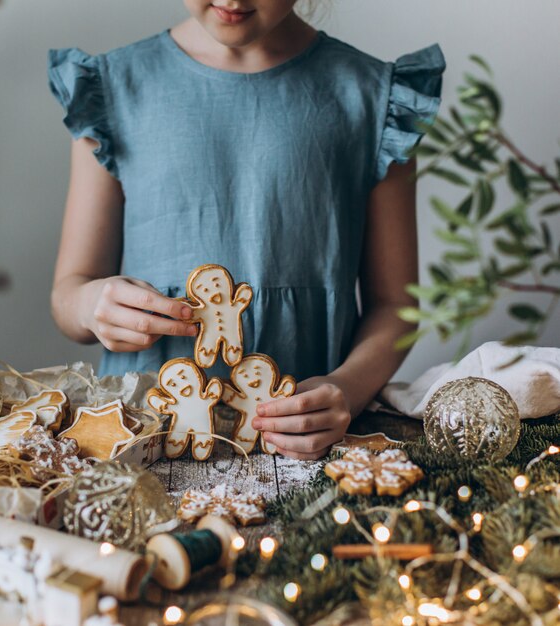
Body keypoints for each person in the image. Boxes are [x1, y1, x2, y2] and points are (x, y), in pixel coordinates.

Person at [47, 0, 446, 460]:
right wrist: (92, 305)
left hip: (306, 453)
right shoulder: (111, 90)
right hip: (141, 446)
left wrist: (347, 389)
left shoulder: (374, 99)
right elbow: (68, 294)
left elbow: (396, 305)